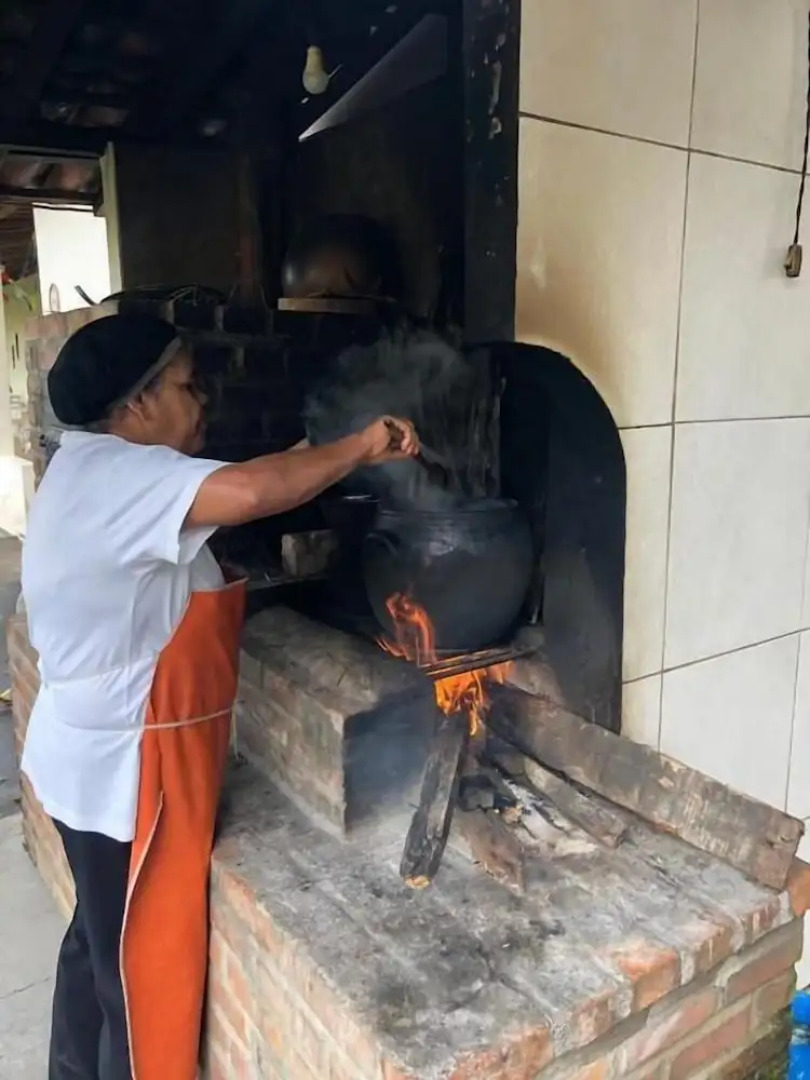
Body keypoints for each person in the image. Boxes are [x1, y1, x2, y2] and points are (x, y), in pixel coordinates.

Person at [19, 312, 419, 1080]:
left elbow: (248, 481)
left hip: (90, 757)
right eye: (182, 385)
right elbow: (245, 491)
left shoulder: (93, 468)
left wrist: (323, 448)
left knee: (99, 947)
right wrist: (366, 445)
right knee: (141, 982)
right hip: (131, 773)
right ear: (135, 407)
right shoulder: (125, 479)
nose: (200, 399)